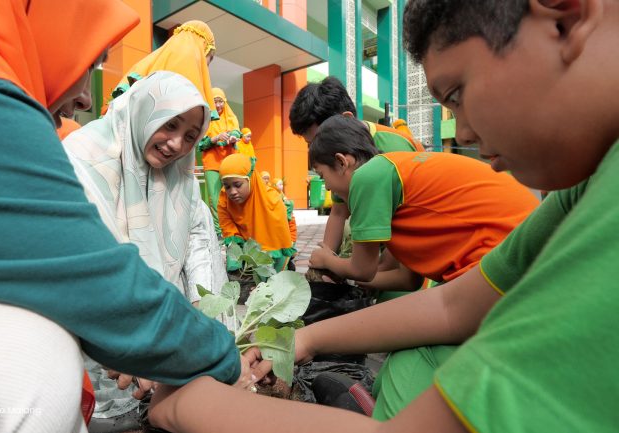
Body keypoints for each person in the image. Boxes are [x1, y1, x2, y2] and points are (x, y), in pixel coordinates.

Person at [146, 0, 619, 432]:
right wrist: (302, 341)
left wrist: (190, 406)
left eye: (457, 92)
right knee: (406, 365)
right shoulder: (582, 190)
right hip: (457, 284)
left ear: (564, 16)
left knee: (408, 367)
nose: (466, 131)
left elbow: (381, 273)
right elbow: (453, 305)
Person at [0, 1, 255, 432]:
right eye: (90, 63)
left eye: (190, 136)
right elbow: (100, 290)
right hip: (118, 356)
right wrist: (224, 359)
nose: (84, 97)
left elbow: (189, 249)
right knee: (32, 362)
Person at [62, 71, 234, 426]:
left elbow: (198, 239)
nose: (176, 145)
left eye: (190, 136)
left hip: (158, 343)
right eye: (169, 125)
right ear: (145, 111)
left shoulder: (181, 177)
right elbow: (87, 259)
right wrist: (131, 344)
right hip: (101, 342)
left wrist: (204, 309)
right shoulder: (86, 156)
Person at [308, 115, 539, 304]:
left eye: (322, 176)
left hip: (507, 253)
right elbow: (408, 279)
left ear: (341, 162)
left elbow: (362, 269)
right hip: (526, 245)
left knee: (409, 355)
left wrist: (327, 260)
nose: (327, 187)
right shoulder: (395, 178)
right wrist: (347, 279)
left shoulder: (367, 178)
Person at [290, 76, 425, 263]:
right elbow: (338, 212)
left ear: (346, 119)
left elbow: (411, 231)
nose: (316, 150)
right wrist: (325, 260)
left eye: (317, 141)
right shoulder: (339, 165)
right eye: (310, 144)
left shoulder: (397, 147)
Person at [104, 20, 217, 118]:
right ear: (203, 49)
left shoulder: (151, 61)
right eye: (209, 59)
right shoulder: (189, 71)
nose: (207, 66)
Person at [217, 154, 295, 272]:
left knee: (272, 276)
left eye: (237, 185)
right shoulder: (224, 198)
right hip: (245, 244)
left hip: (272, 247)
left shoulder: (272, 200)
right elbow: (227, 225)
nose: (232, 192)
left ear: (251, 179)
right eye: (227, 186)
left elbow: (282, 235)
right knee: (236, 268)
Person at [199, 87, 241, 235]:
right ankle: (219, 232)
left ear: (225, 102)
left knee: (233, 196)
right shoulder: (205, 118)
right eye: (214, 102)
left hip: (229, 163)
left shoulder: (231, 116)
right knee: (215, 200)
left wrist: (233, 137)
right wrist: (214, 139)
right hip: (212, 164)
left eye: (220, 102)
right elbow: (200, 144)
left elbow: (236, 131)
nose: (218, 105)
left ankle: (234, 230)